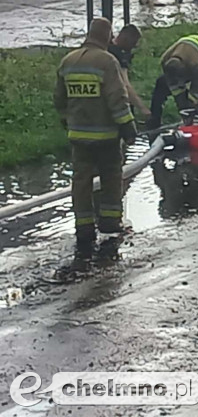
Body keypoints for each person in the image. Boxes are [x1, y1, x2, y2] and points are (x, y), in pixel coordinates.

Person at [54, 18, 136, 252]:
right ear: (107, 36)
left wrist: (66, 120)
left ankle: (84, 228)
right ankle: (110, 223)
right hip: (106, 137)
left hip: (78, 137)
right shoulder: (107, 61)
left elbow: (59, 98)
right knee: (111, 178)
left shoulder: (68, 61)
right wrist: (128, 127)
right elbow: (117, 99)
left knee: (80, 182)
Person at [149, 34, 198, 129]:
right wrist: (183, 109)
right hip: (185, 59)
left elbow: (195, 91)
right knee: (161, 84)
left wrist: (191, 106)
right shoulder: (165, 60)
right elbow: (175, 88)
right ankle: (154, 120)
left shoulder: (196, 65)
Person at [109, 24, 149, 122]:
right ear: (125, 38)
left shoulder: (107, 47)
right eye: (133, 43)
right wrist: (143, 108)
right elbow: (125, 84)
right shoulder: (118, 55)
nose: (134, 46)